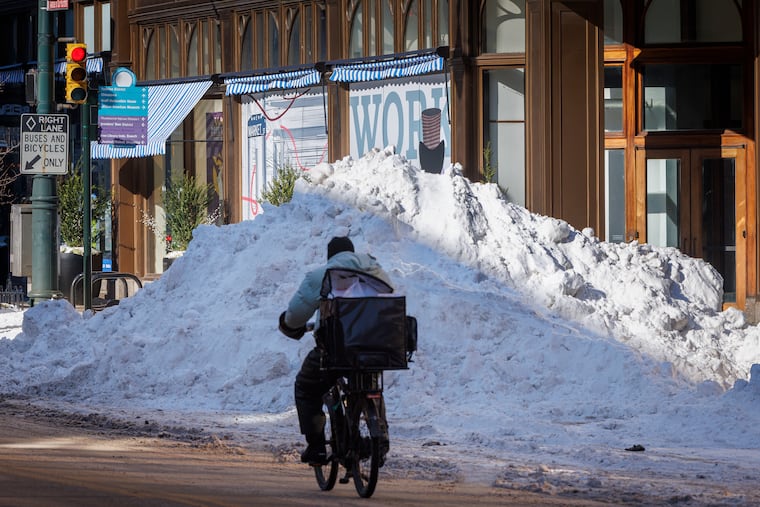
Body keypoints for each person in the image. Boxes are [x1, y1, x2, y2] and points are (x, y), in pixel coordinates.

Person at [278, 236, 392, 465]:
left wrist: (289, 326)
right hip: (373, 348)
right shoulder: (375, 270)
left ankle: (317, 447)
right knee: (369, 384)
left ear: (331, 256)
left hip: (336, 351)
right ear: (353, 253)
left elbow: (297, 315)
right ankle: (380, 437)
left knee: (306, 386)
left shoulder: (323, 275)